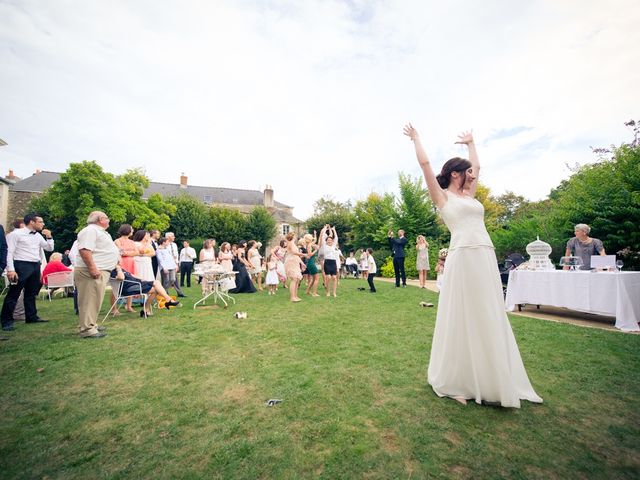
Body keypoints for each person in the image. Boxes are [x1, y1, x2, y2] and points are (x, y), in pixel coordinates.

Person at [404, 123, 542, 408]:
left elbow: (477, 165)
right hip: (463, 256)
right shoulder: (442, 196)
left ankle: (490, 378)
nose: (472, 175)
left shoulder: (470, 195)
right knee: (462, 313)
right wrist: (417, 138)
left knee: (487, 311)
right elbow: (426, 164)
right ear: (455, 173)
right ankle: (456, 381)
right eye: (466, 172)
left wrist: (471, 144)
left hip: (484, 255)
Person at [1, 213, 54, 331]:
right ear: (32, 222)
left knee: (31, 293)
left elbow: (49, 248)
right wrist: (10, 269)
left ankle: (31, 316)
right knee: (14, 293)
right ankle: (6, 321)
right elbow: (9, 252)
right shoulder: (15, 234)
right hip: (21, 264)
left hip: (35, 265)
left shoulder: (38, 236)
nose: (43, 224)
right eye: (40, 222)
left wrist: (49, 237)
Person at [74, 211, 120, 338]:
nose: (109, 220)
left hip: (101, 270)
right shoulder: (90, 231)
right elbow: (85, 250)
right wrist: (92, 268)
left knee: (95, 299)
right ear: (100, 219)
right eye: (107, 217)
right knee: (89, 299)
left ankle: (90, 324)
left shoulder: (99, 231)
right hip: (91, 271)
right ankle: (87, 329)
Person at [110, 264, 179, 317]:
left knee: (155, 289)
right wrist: (118, 269)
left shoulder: (121, 269)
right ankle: (167, 300)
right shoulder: (113, 271)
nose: (119, 262)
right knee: (156, 283)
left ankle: (146, 309)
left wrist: (142, 279)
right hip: (130, 288)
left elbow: (131, 275)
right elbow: (121, 278)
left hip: (137, 284)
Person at [114, 224, 138, 312]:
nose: (133, 231)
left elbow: (137, 252)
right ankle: (114, 308)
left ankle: (129, 306)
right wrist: (130, 252)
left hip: (131, 264)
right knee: (116, 286)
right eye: (131, 229)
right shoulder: (117, 241)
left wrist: (127, 252)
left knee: (131, 283)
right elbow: (120, 252)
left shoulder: (132, 242)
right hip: (121, 264)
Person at [319, 225, 340, 298]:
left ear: (332, 241)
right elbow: (322, 237)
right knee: (328, 278)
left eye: (330, 240)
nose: (329, 241)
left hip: (333, 263)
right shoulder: (324, 245)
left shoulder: (334, 246)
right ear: (326, 241)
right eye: (328, 240)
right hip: (327, 263)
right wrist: (325, 229)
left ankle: (334, 292)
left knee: (334, 278)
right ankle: (327, 292)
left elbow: (336, 238)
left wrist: (334, 230)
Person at [284, 232, 306, 302]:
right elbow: (293, 252)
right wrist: (304, 254)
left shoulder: (293, 244)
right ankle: (292, 297)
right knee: (294, 279)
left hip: (295, 262)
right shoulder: (290, 243)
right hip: (291, 262)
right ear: (293, 236)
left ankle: (295, 296)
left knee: (297, 279)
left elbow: (296, 255)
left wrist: (302, 263)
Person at [164, 232, 185, 297]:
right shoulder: (165, 245)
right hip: (167, 264)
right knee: (167, 279)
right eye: (173, 236)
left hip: (174, 264)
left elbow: (176, 254)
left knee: (175, 278)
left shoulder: (174, 245)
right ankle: (165, 291)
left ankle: (179, 292)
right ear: (168, 237)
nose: (174, 237)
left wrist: (177, 264)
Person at [303, 232, 321, 297]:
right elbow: (310, 254)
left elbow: (315, 240)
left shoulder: (309, 244)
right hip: (311, 262)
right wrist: (316, 250)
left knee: (313, 279)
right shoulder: (309, 245)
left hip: (310, 262)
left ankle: (307, 291)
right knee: (317, 278)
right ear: (310, 239)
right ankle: (314, 293)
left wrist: (315, 234)